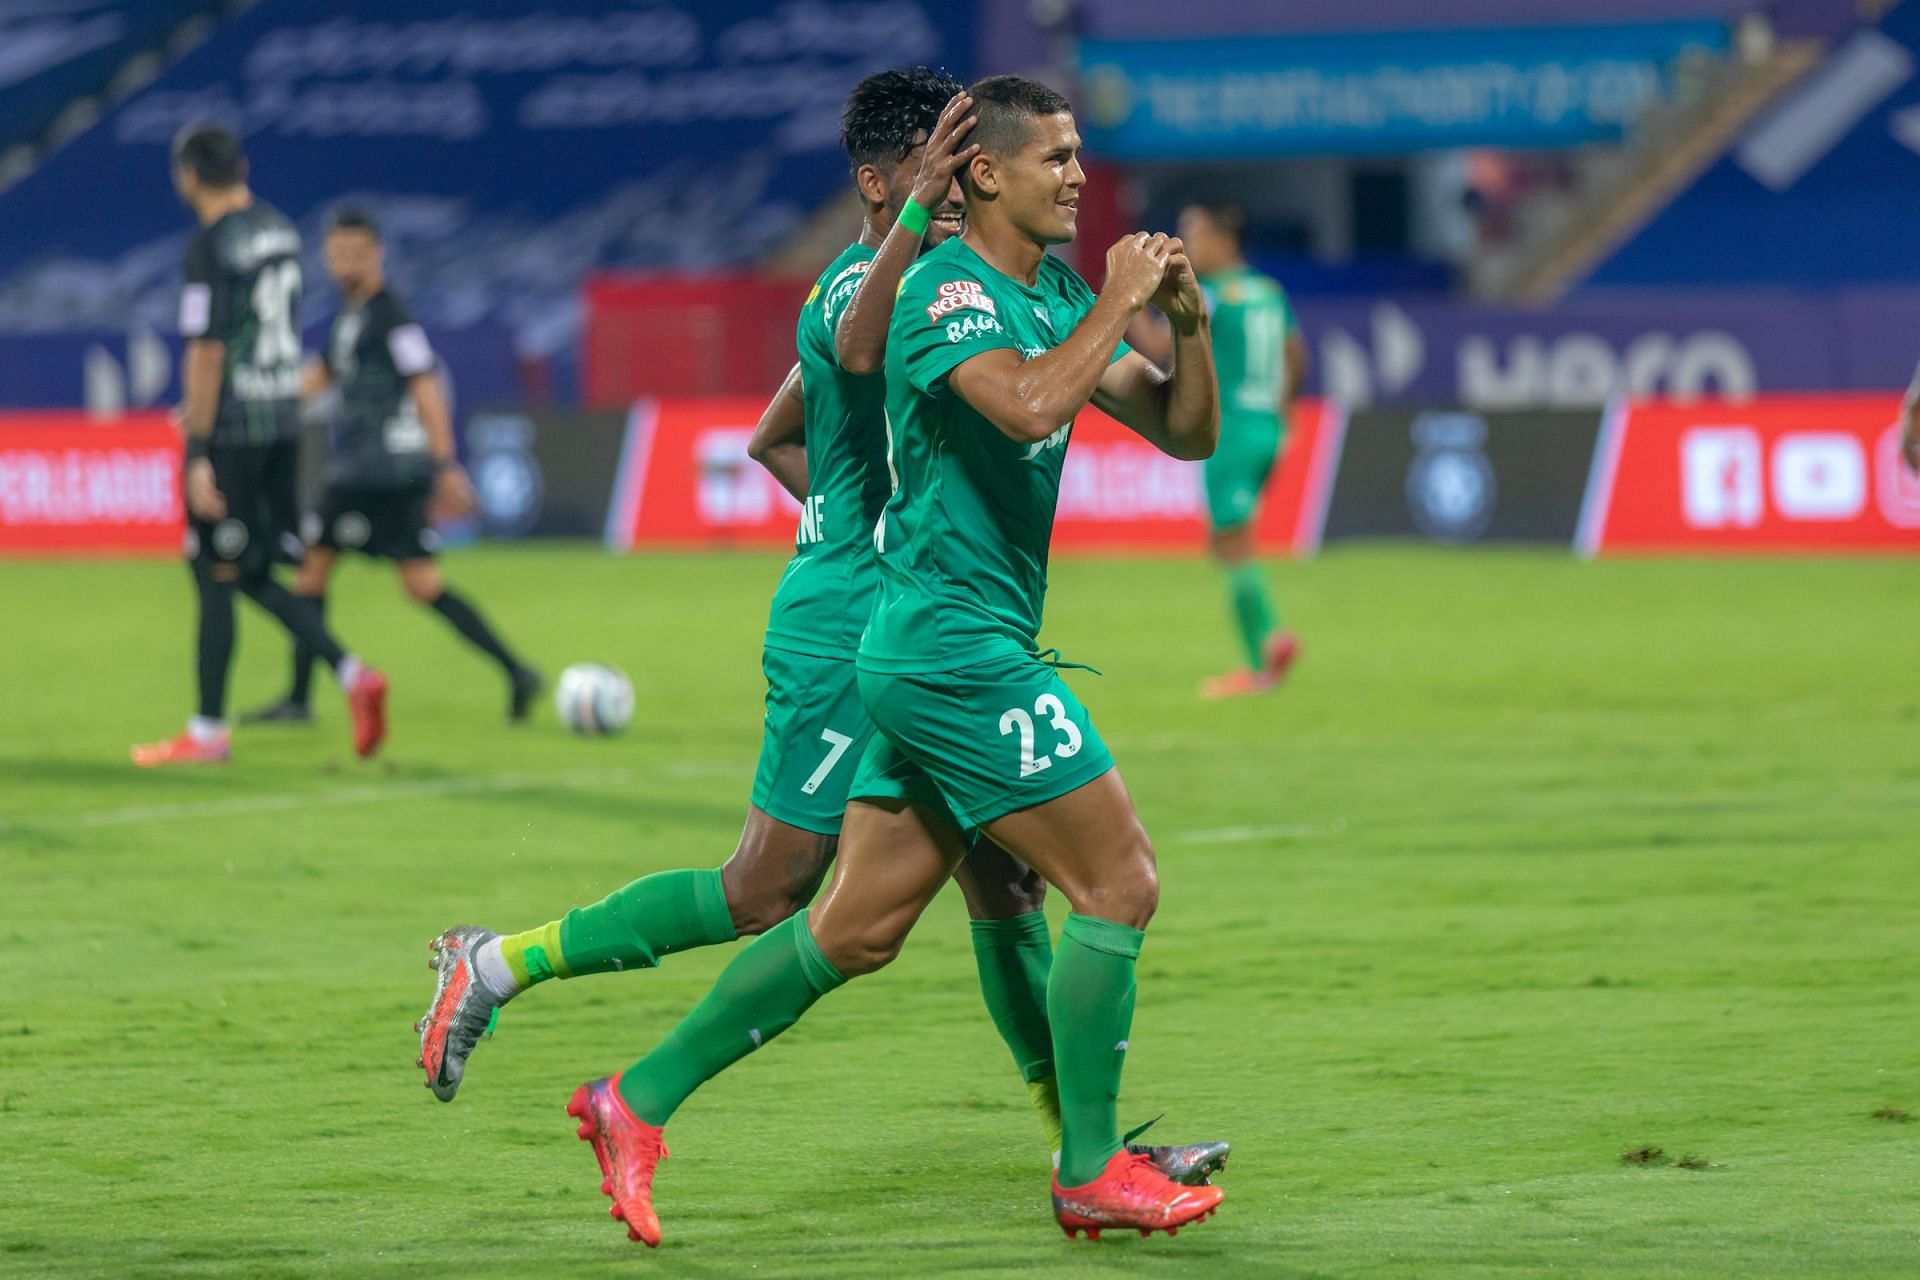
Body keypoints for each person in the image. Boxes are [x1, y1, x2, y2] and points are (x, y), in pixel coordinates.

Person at [414, 69, 1226, 1245]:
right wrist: (880, 528)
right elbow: (989, 388)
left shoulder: (1032, 286)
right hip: (920, 638)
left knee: (870, 920)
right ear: (921, 173)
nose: (1077, 178)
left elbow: (1180, 432)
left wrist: (1185, 325)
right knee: (1100, 881)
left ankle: (632, 1097)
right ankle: (1088, 1159)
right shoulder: (914, 282)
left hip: (922, 622)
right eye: (1045, 157)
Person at [133, 124, 387, 767]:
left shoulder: (210, 248)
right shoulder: (280, 230)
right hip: (281, 421)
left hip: (235, 431)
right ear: (242, 168)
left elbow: (209, 347)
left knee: (212, 569)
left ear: (186, 175)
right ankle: (352, 673)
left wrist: (196, 446)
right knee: (249, 568)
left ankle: (208, 732)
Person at [242, 208, 540, 726]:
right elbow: (326, 374)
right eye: (337, 253)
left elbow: (424, 382)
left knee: (311, 572)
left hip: (374, 473)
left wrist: (446, 463)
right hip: (371, 471)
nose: (345, 262)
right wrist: (271, 403)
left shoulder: (390, 315)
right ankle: (516, 672)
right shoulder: (350, 315)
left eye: (356, 253)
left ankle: (299, 699)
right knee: (417, 583)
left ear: (377, 254)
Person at [1176, 201, 1308, 699]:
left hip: (1229, 432)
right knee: (1232, 542)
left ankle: (1264, 657)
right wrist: (1285, 410)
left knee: (1231, 547)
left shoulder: (1214, 297)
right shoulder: (1268, 292)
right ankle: (1270, 642)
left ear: (1222, 238)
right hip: (1268, 427)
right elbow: (1297, 355)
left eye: (1194, 233)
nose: (1188, 245)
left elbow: (1163, 348)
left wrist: (1133, 306)